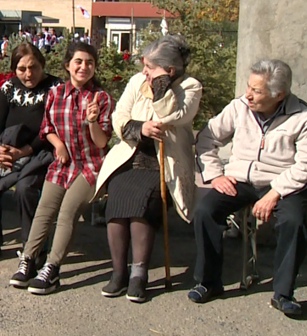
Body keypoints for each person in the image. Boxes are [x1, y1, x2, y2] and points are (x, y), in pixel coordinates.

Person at [190, 59, 307, 316]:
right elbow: (207, 138)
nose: (248, 95)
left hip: (282, 182)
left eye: (256, 90)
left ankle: (283, 292)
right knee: (205, 211)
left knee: (295, 221)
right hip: (240, 179)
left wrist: (275, 192)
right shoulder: (238, 107)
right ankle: (208, 282)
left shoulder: (302, 116)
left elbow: (304, 165)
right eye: (248, 87)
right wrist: (214, 175)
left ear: (279, 94)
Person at [95, 35, 202, 302]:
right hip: (131, 155)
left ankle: (138, 274)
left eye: (151, 67)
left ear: (169, 69)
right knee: (117, 202)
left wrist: (161, 86)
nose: (145, 72)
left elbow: (174, 116)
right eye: (144, 66)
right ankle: (118, 272)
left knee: (143, 205)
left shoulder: (190, 86)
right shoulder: (135, 82)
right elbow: (119, 115)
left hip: (164, 163)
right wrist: (140, 128)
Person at [9, 42, 113, 294]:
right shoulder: (56, 93)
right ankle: (29, 260)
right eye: (78, 61)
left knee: (67, 212)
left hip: (91, 166)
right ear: (67, 65)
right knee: (44, 209)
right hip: (63, 164)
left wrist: (92, 121)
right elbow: (46, 127)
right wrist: (59, 145)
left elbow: (101, 142)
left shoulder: (101, 98)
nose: (83, 67)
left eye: (89, 62)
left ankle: (52, 269)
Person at [0, 42, 61, 264]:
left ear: (42, 65)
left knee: (25, 188)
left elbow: (50, 129)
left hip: (38, 152)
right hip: (7, 150)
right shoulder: (8, 87)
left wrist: (23, 152)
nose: (28, 74)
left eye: (33, 67)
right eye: (22, 69)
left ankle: (33, 247)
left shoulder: (55, 88)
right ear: (14, 69)